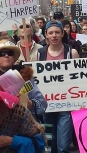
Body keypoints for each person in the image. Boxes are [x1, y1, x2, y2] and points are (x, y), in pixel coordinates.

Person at [34, 20, 79, 153]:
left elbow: (80, 78)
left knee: (63, 146)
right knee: (49, 144)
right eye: (51, 33)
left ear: (62, 34)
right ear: (46, 35)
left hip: (66, 105)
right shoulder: (40, 54)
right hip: (47, 105)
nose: (54, 35)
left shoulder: (72, 53)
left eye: (57, 32)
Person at [0, 38, 47, 122]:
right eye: (2, 53)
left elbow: (42, 105)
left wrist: (30, 104)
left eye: (10, 53)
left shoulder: (25, 76)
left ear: (14, 58)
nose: (6, 55)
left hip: (25, 124)